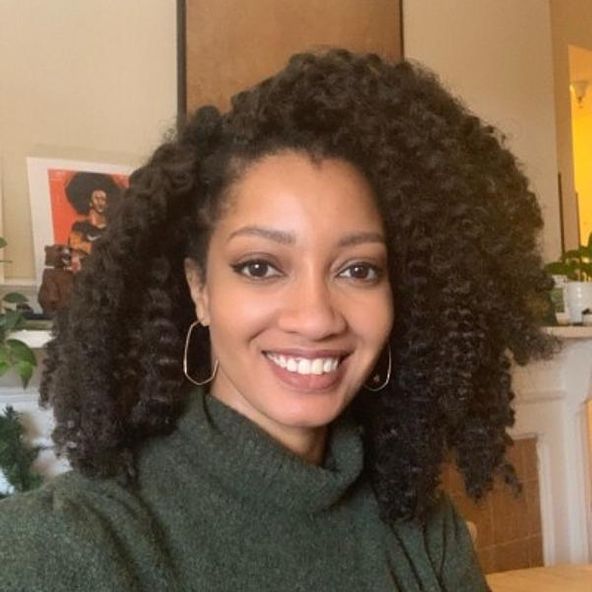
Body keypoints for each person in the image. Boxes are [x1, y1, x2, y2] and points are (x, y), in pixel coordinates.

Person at [0, 49, 554, 591]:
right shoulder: (63, 546)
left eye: (358, 269)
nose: (315, 318)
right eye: (260, 266)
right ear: (199, 289)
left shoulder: (423, 528)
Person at [65, 171, 122, 264]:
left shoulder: (112, 228)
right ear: (90, 201)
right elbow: (74, 248)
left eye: (103, 199)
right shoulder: (79, 227)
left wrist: (87, 247)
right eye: (97, 198)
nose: (101, 203)